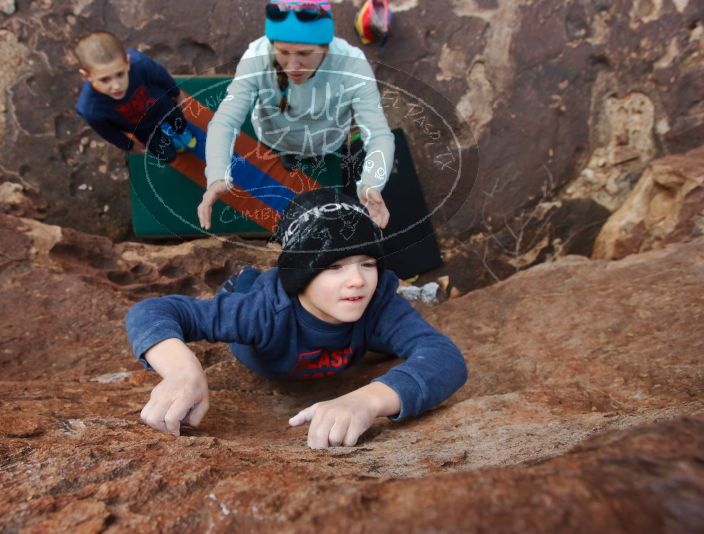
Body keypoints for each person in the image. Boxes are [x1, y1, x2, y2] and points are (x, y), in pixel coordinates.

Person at [126, 188, 467, 449]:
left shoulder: (375, 303)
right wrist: (183, 372)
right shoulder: (261, 312)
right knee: (241, 286)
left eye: (367, 263)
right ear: (300, 275)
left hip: (338, 330)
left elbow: (443, 357)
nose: (358, 280)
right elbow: (152, 311)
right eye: (333, 266)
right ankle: (251, 275)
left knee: (385, 315)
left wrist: (368, 400)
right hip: (253, 301)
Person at [197, 1, 395, 232]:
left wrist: (371, 183)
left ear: (326, 47)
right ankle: (287, 155)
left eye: (304, 53)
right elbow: (225, 120)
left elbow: (379, 134)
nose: (293, 66)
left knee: (320, 157)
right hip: (274, 137)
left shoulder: (352, 65)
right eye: (282, 52)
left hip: (327, 141)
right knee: (284, 153)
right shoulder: (257, 57)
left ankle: (310, 156)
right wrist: (217, 173)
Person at [74, 31, 196, 165]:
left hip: (163, 106)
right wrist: (129, 145)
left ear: (127, 62)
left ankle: (182, 131)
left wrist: (176, 93)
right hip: (142, 128)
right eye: (105, 80)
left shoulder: (140, 64)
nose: (116, 86)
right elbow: (107, 132)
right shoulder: (90, 109)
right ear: (87, 76)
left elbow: (161, 76)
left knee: (178, 120)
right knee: (168, 156)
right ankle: (172, 144)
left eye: (120, 74)